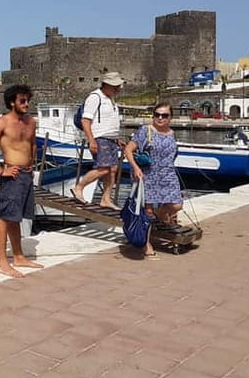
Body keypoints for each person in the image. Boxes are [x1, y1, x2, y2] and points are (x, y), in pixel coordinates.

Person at [0, 84, 44, 278]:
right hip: (12, 174)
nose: (26, 104)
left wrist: (32, 164)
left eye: (28, 100)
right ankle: (2, 262)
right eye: (22, 101)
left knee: (15, 217)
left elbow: (32, 144)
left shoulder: (30, 121)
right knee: (4, 216)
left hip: (26, 174)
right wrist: (1, 170)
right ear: (12, 103)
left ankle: (18, 256)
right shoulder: (3, 123)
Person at [124, 102, 184, 260]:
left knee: (176, 205)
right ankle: (146, 244)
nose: (160, 118)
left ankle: (160, 214)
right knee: (148, 211)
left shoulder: (172, 134)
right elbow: (128, 150)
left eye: (164, 115)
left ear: (171, 117)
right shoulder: (146, 131)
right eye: (157, 114)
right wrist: (135, 168)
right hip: (148, 174)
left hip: (168, 174)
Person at [71, 72, 125, 208]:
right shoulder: (95, 97)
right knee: (104, 169)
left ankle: (105, 199)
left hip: (111, 139)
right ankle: (79, 187)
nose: (118, 89)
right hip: (100, 138)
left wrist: (116, 138)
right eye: (115, 86)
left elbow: (108, 121)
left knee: (112, 169)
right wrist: (91, 140)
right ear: (106, 85)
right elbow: (85, 120)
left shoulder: (110, 99)